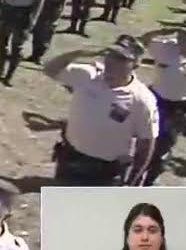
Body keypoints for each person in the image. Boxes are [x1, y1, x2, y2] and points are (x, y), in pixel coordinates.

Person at [44, 35, 158, 186]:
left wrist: (132, 182)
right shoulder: (88, 75)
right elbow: (49, 69)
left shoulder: (142, 99)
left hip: (104, 172)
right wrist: (78, 53)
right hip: (70, 158)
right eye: (110, 55)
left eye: (121, 59)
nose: (111, 62)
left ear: (135, 64)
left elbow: (146, 143)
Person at [143, 21, 186, 186]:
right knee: (143, 139)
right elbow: (143, 40)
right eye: (180, 34)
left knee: (164, 146)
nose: (182, 38)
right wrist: (165, 30)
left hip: (179, 107)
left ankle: (149, 180)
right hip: (154, 99)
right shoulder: (166, 47)